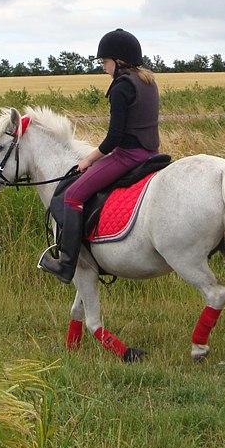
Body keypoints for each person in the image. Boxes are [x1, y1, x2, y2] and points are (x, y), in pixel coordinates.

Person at [39, 28, 160, 283]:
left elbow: (114, 138)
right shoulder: (148, 81)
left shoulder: (121, 87)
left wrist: (88, 159)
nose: (103, 67)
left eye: (105, 62)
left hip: (128, 155)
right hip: (151, 153)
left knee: (72, 196)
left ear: (119, 61)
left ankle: (67, 264)